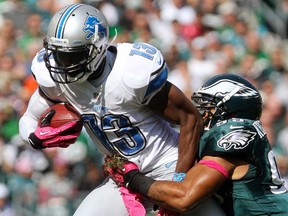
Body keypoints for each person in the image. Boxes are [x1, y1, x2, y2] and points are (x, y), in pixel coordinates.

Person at [18, 3, 225, 216]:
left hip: (167, 166)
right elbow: (29, 118)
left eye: (71, 56)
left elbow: (190, 118)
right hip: (124, 177)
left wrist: (180, 181)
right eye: (59, 54)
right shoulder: (56, 79)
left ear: (97, 48)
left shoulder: (130, 73)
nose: (62, 65)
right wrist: (35, 137)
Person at [106, 73, 288, 215]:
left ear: (230, 113)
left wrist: (132, 178)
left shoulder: (234, 136)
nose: (199, 113)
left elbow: (184, 198)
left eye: (207, 108)